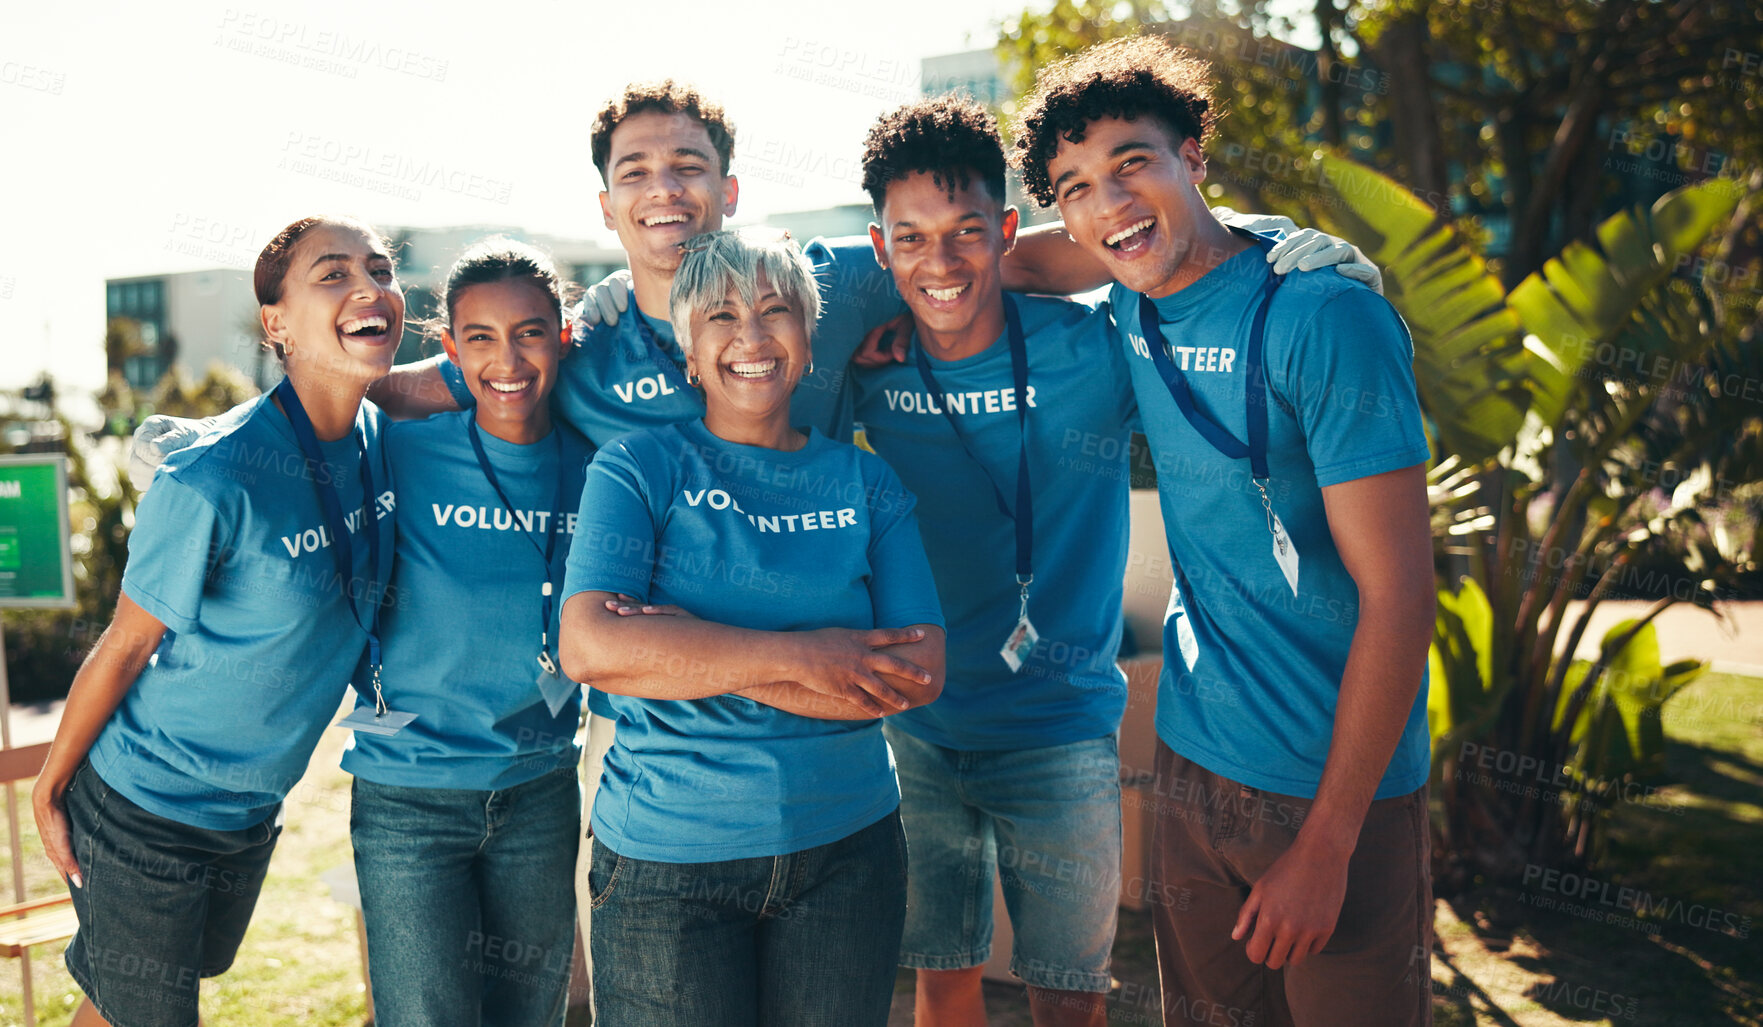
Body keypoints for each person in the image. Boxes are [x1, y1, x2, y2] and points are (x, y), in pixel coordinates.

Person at [1016, 34, 1437, 1026]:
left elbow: (1403, 594)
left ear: (1193, 155)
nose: (1108, 202)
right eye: (1074, 186)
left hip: (1341, 787)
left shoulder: (1325, 316)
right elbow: (986, 258)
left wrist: (1328, 845)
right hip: (1196, 765)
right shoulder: (1126, 292)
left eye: (1133, 163)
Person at [557, 227, 946, 1026]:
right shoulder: (637, 469)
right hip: (666, 862)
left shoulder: (863, 479)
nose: (751, 337)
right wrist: (807, 656)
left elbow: (914, 675)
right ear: (688, 351)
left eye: (776, 312)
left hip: (848, 851)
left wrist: (680, 650)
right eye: (721, 318)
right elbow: (590, 646)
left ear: (807, 340)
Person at [31, 215, 402, 1027]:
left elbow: (476, 375)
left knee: (117, 1001)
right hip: (145, 808)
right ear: (275, 323)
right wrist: (50, 783)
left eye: (380, 269)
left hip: (245, 813)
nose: (369, 287)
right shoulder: (212, 475)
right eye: (333, 274)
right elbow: (128, 644)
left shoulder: (382, 435)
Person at [845, 95, 1142, 1027]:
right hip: (918, 726)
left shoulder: (1090, 351)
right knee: (943, 976)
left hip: (1060, 725)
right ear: (880, 244)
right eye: (912, 239)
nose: (940, 263)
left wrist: (1276, 236)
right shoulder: (864, 365)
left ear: (1007, 230)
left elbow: (1161, 241)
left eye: (967, 232)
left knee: (1069, 993)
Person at [342, 240, 591, 1026]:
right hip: (408, 791)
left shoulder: (602, 469)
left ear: (563, 336)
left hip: (540, 785)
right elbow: (314, 401)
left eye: (529, 332)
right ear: (448, 349)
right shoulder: (399, 453)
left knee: (532, 1015)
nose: (506, 359)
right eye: (478, 337)